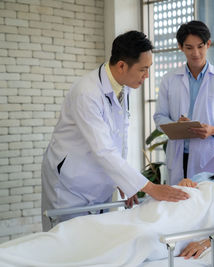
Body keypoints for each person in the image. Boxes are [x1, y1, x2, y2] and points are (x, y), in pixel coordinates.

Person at [41, 31, 189, 231]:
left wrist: (125, 182)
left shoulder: (122, 85)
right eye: (143, 69)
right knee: (67, 245)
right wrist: (150, 188)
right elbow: (103, 149)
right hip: (71, 185)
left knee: (95, 244)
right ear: (121, 65)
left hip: (99, 180)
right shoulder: (87, 92)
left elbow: (119, 139)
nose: (147, 76)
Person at [153, 20, 214, 185]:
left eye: (200, 46)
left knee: (206, 202)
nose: (195, 53)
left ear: (208, 44)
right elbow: (159, 117)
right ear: (180, 47)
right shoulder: (169, 79)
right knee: (178, 203)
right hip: (179, 155)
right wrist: (175, 125)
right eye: (189, 47)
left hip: (209, 155)